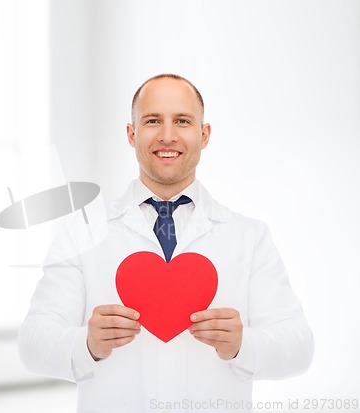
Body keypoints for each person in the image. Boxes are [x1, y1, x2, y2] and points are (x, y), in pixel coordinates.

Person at [18, 74, 314, 413]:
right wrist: (86, 343)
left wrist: (243, 344)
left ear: (204, 135)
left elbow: (300, 346)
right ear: (131, 134)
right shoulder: (81, 232)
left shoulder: (250, 236)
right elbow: (32, 342)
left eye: (183, 121)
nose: (167, 135)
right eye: (152, 120)